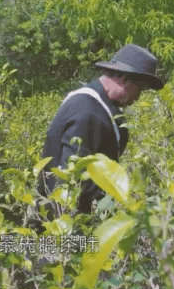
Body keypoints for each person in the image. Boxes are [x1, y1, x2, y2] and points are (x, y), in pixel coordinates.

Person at [36, 44, 164, 217]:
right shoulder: (88, 112)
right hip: (65, 224)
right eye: (139, 90)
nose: (138, 98)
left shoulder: (96, 105)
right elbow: (72, 181)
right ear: (125, 79)